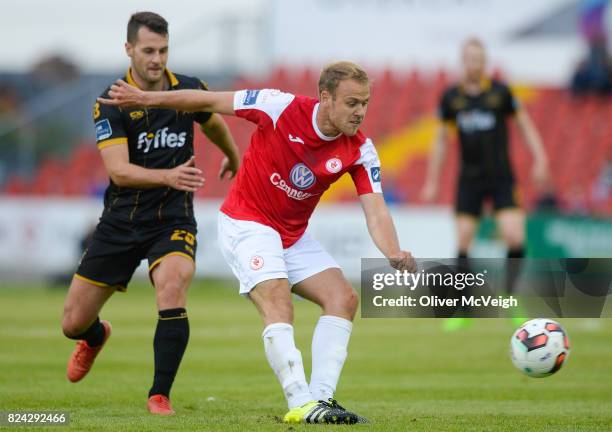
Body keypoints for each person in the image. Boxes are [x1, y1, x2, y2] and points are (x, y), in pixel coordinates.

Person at [100, 61, 416, 424]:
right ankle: (300, 402)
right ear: (325, 97)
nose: (360, 112)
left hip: (291, 235)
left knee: (343, 299)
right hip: (247, 223)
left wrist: (392, 251)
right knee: (278, 299)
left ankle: (321, 400)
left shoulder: (360, 149)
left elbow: (375, 210)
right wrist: (146, 98)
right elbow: (206, 100)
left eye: (365, 103)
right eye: (352, 103)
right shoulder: (278, 106)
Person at [60, 11, 240, 416]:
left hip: (173, 220)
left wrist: (232, 155)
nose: (157, 59)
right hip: (120, 221)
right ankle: (94, 336)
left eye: (163, 50)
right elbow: (119, 171)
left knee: (173, 286)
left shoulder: (188, 89)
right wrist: (169, 176)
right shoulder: (111, 101)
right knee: (72, 322)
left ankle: (160, 395)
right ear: (129, 50)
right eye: (148, 51)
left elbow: (211, 121)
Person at [421, 38, 549, 330]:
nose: (474, 64)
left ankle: (511, 296)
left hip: (502, 177)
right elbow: (441, 140)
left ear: (485, 62)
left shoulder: (501, 93)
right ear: (462, 61)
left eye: (479, 59)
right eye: (469, 58)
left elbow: (525, 125)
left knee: (515, 237)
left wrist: (540, 159)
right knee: (464, 240)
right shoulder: (451, 97)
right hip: (470, 179)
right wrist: (431, 180)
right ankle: (463, 308)